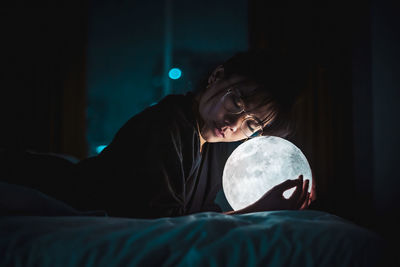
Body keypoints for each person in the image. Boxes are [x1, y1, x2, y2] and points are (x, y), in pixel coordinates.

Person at [1, 50, 314, 218]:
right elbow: (162, 222)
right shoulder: (167, 125)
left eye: (251, 125)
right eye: (237, 101)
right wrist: (253, 211)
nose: (235, 123)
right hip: (58, 187)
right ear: (216, 77)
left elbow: (199, 213)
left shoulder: (218, 148)